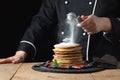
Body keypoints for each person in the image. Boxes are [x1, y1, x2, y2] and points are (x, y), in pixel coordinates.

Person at [0, 0, 120, 64]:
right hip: (63, 67)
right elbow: (41, 22)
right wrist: (21, 52)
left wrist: (106, 23)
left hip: (105, 66)